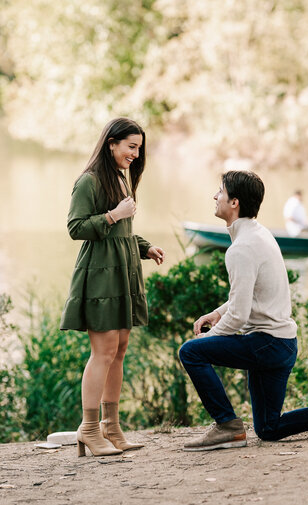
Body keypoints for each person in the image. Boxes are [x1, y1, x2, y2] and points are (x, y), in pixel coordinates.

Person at [179, 170, 308, 452]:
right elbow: (252, 293)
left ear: (234, 203)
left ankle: (227, 426)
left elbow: (240, 316)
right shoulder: (259, 234)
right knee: (268, 428)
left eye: (220, 191)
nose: (215, 196)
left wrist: (209, 338)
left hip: (266, 344)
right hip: (281, 344)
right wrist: (218, 313)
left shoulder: (240, 248)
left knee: (191, 352)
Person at [60, 117, 165, 457]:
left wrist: (144, 247)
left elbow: (123, 232)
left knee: (119, 350)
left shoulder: (120, 180)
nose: (136, 154)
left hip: (124, 271)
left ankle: (111, 426)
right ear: (111, 144)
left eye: (139, 148)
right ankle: (88, 429)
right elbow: (76, 227)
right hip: (100, 275)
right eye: (131, 146)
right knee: (102, 352)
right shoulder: (88, 181)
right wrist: (113, 215)